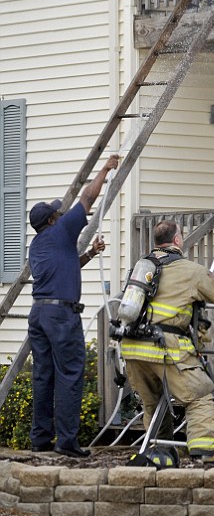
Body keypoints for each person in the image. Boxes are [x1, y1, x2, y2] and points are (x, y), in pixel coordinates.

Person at [120, 220, 214, 464]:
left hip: (132, 347)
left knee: (153, 404)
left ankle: (159, 455)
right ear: (177, 241)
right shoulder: (190, 271)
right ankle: (206, 451)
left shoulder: (142, 268)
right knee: (200, 396)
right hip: (165, 347)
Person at [28, 153, 121, 458]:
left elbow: (65, 269)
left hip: (39, 312)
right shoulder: (62, 230)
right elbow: (87, 196)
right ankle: (66, 442)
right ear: (53, 220)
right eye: (57, 212)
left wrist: (90, 255)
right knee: (69, 373)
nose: (61, 212)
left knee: (43, 374)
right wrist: (105, 168)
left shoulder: (39, 244)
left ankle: (41, 438)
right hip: (60, 316)